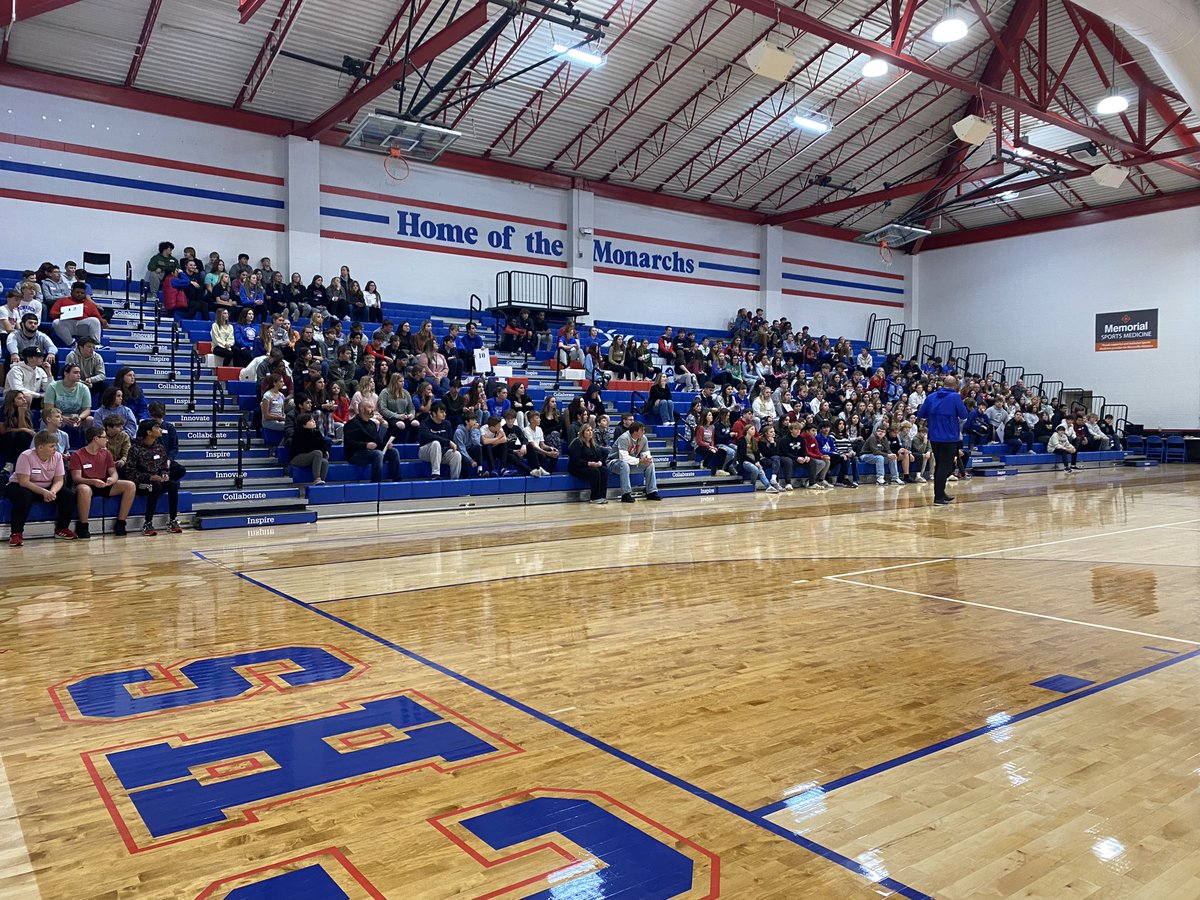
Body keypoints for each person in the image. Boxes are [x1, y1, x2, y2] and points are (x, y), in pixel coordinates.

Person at [5, 430, 77, 544]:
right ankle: (16, 533)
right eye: (52, 446)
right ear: (40, 447)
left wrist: (52, 492)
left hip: (47, 487)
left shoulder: (57, 457)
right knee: (24, 496)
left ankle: (62, 529)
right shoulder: (26, 456)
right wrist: (43, 492)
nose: (55, 448)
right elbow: (24, 482)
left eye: (55, 446)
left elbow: (59, 480)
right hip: (20, 486)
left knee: (68, 495)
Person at [69, 425, 135, 538]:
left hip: (103, 483)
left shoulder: (106, 453)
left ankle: (121, 523)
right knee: (84, 489)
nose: (107, 440)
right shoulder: (77, 455)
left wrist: (112, 479)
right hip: (87, 484)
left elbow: (114, 473)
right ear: (96, 439)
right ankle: (83, 525)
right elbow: (76, 478)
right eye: (104, 437)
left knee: (130, 485)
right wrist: (93, 481)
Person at [917, 375, 969, 505]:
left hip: (934, 436)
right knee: (945, 466)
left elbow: (921, 414)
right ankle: (938, 497)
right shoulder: (955, 397)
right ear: (955, 385)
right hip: (949, 437)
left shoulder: (931, 397)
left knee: (940, 464)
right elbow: (963, 415)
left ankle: (941, 493)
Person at [125, 419, 183, 535]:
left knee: (172, 485)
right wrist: (149, 477)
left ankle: (172, 520)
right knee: (155, 486)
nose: (160, 429)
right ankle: (148, 522)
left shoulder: (160, 448)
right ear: (149, 432)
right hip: (141, 483)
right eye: (157, 427)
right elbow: (129, 472)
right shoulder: (135, 449)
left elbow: (163, 466)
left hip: (157, 480)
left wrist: (164, 474)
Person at [345, 399, 400, 482]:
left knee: (393, 452)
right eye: (370, 407)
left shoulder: (372, 424)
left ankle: (396, 480)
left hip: (371, 453)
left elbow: (377, 442)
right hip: (356, 454)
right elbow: (349, 443)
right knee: (378, 454)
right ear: (362, 409)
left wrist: (386, 445)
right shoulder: (352, 423)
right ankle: (376, 482)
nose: (373, 410)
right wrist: (365, 445)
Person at [608, 421, 659, 503]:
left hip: (630, 463)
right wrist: (639, 460)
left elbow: (646, 453)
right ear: (635, 432)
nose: (644, 432)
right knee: (624, 464)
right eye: (642, 430)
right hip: (614, 462)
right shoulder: (624, 438)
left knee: (650, 464)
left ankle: (651, 492)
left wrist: (647, 459)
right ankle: (626, 494)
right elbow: (623, 458)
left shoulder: (643, 438)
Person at [50, 282, 105, 347]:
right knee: (56, 322)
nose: (79, 294)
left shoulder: (89, 303)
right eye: (77, 292)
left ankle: (95, 344)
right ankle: (72, 344)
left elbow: (97, 317)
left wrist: (103, 321)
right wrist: (61, 313)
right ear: (72, 292)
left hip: (83, 325)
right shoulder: (62, 300)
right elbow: (52, 313)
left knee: (95, 320)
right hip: (68, 325)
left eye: (82, 293)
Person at [417, 402, 463, 479]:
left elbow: (450, 439)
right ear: (434, 413)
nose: (444, 414)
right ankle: (435, 474)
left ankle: (454, 480)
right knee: (435, 443)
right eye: (441, 412)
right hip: (425, 452)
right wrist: (447, 442)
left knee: (456, 455)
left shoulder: (447, 424)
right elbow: (428, 436)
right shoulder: (425, 423)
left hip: (441, 452)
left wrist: (448, 444)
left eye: (445, 412)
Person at [568, 422, 609, 504]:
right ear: (582, 433)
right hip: (577, 468)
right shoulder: (577, 443)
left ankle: (602, 496)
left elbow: (599, 455)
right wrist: (589, 463)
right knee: (595, 471)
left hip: (591, 465)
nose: (590, 432)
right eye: (587, 430)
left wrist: (600, 462)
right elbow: (576, 460)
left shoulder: (593, 443)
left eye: (591, 430)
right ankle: (594, 498)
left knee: (604, 470)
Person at [288, 412, 330, 484]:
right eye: (310, 421)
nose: (314, 422)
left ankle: (320, 482)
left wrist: (325, 451)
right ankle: (316, 478)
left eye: (313, 420)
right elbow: (306, 448)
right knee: (317, 453)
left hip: (312, 456)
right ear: (304, 424)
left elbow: (321, 445)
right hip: (298, 457)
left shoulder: (317, 433)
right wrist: (320, 450)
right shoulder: (298, 433)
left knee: (325, 462)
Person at [0, 390, 36, 470]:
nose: (24, 400)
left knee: (24, 435)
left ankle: (20, 464)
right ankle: (9, 463)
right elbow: (3, 431)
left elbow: (25, 431)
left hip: (18, 441)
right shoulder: (2, 411)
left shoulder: (26, 411)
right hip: (4, 439)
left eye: (24, 397)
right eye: (20, 398)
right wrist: (23, 429)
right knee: (11, 435)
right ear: (12, 401)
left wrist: (21, 413)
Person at [65, 335, 107, 404]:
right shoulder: (71, 356)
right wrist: (82, 383)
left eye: (93, 347)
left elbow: (102, 375)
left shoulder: (97, 357)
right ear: (80, 347)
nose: (92, 349)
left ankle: (103, 408)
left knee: (104, 385)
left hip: (91, 383)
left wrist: (90, 380)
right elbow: (68, 374)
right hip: (76, 383)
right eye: (89, 347)